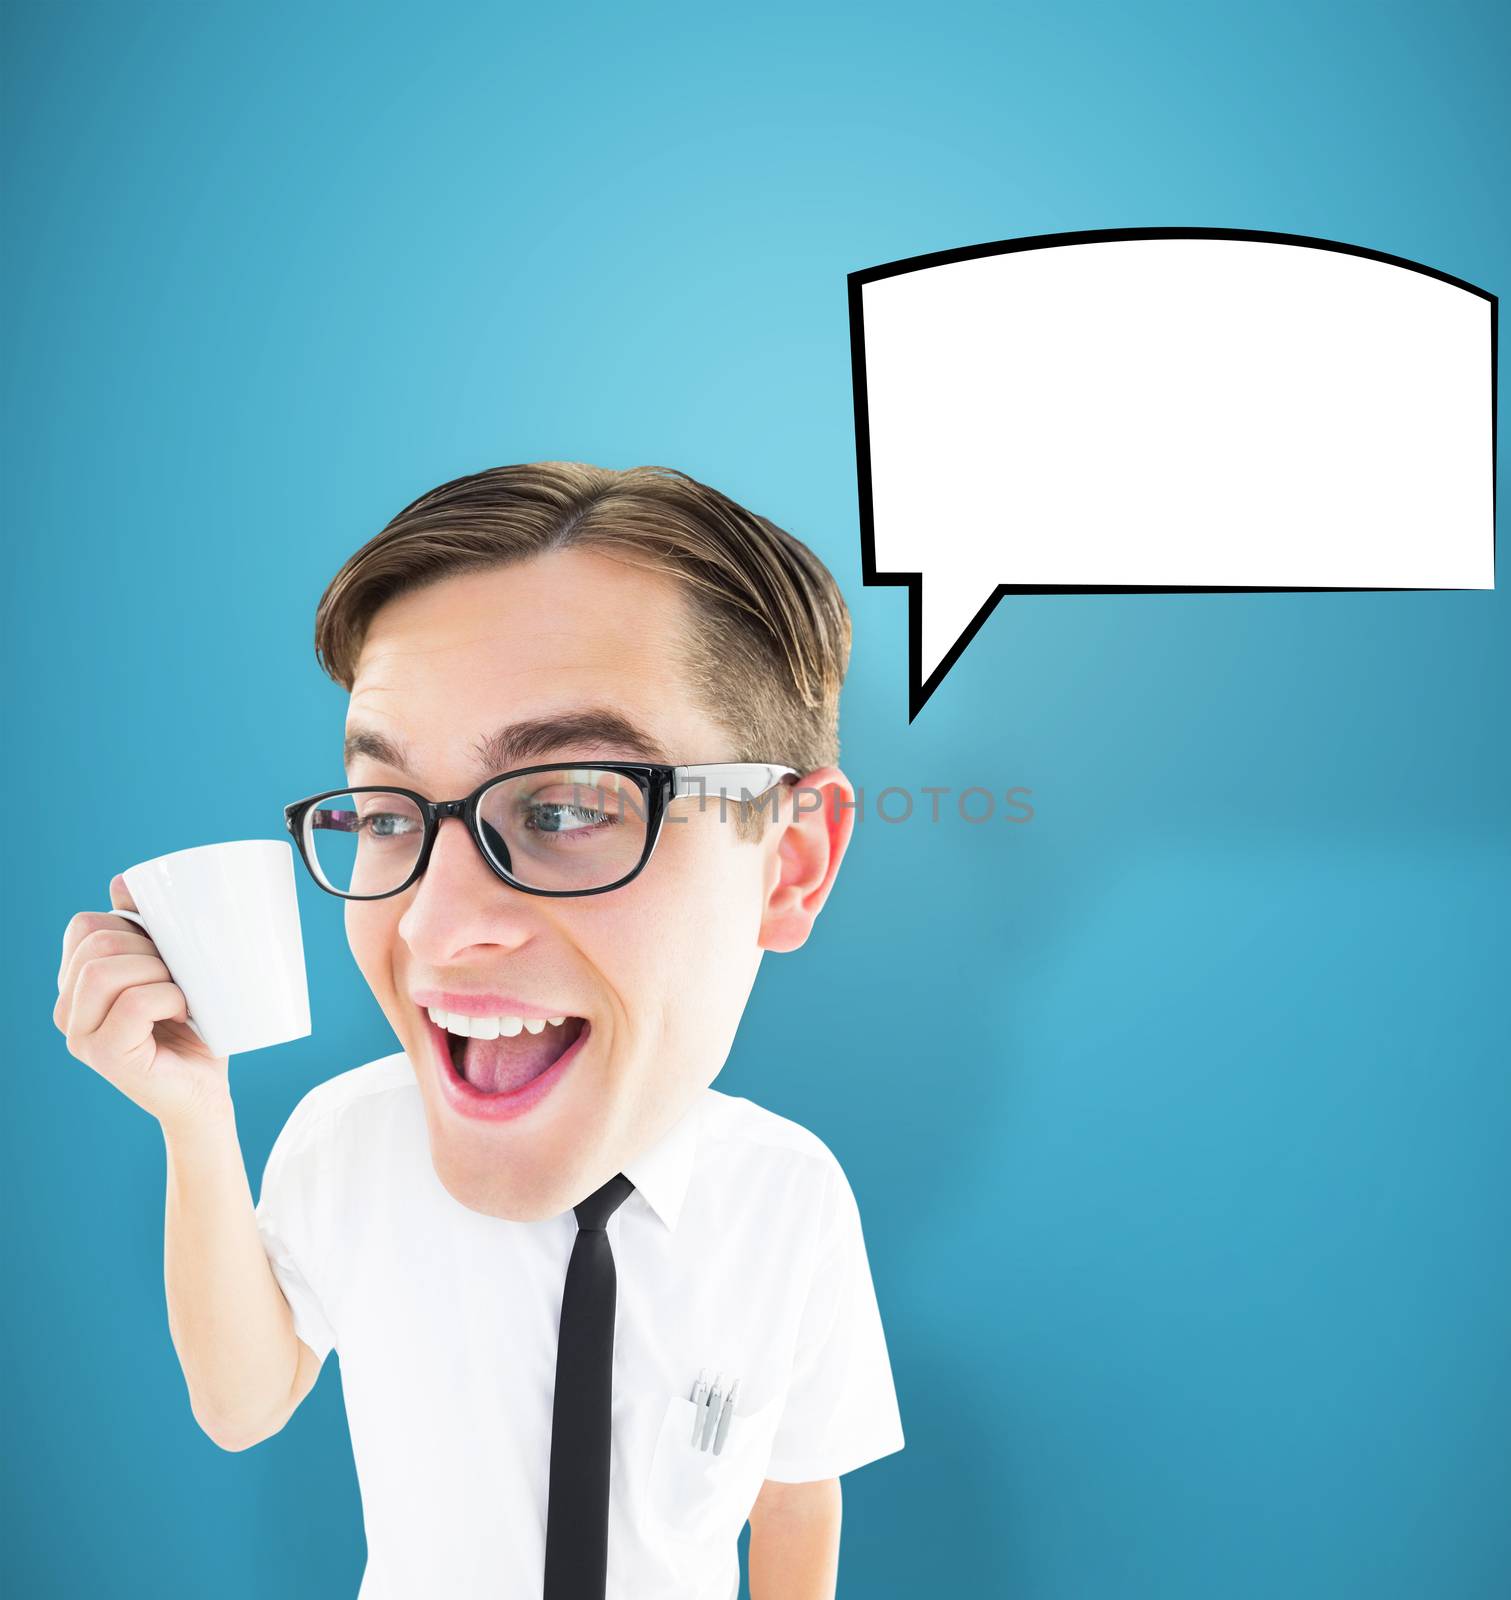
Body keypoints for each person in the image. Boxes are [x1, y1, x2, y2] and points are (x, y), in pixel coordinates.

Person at [53, 461, 905, 1600]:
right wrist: (192, 1118)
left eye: (564, 807)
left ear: (789, 864)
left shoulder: (789, 1198)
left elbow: (798, 1492)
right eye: (384, 813)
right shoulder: (345, 1138)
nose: (432, 927)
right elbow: (243, 1406)